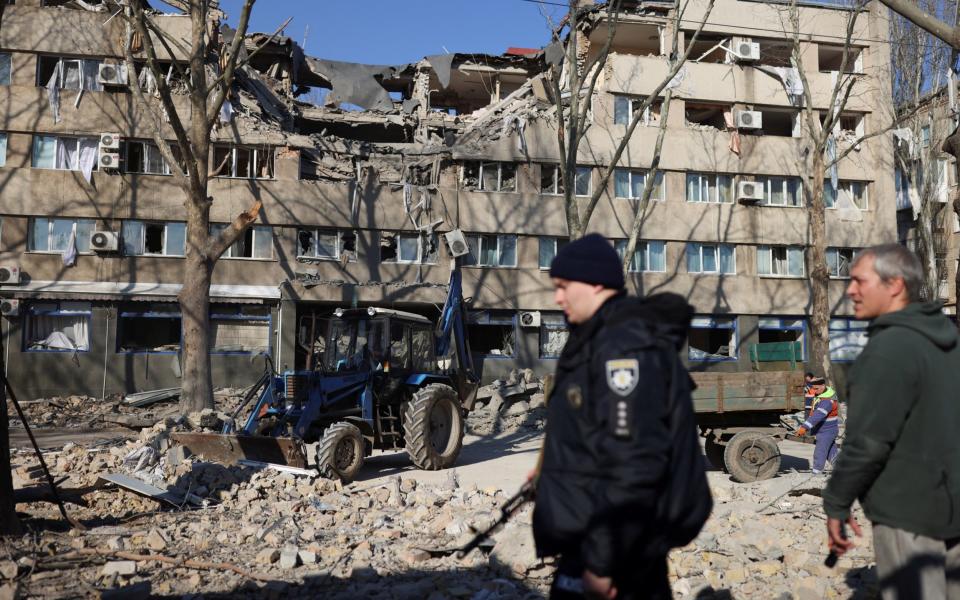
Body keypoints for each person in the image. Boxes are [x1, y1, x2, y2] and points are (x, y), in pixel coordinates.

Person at [532, 234, 711, 600]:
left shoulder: (622, 346)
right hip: (600, 537)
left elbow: (635, 465)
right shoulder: (598, 337)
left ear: (596, 282)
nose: (558, 297)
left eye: (564, 286)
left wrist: (602, 564)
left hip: (617, 551)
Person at [822, 244, 960, 599]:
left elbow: (868, 442)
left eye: (859, 281)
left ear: (895, 284)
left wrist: (837, 502)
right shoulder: (949, 340)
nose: (850, 290)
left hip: (909, 514)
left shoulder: (888, 349)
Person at [795, 377, 839, 474]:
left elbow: (817, 416)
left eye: (816, 389)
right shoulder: (824, 394)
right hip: (828, 430)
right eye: (813, 388)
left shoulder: (827, 401)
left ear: (823, 386)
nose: (814, 391)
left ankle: (816, 473)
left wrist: (804, 427)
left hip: (827, 431)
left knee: (820, 452)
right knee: (831, 451)